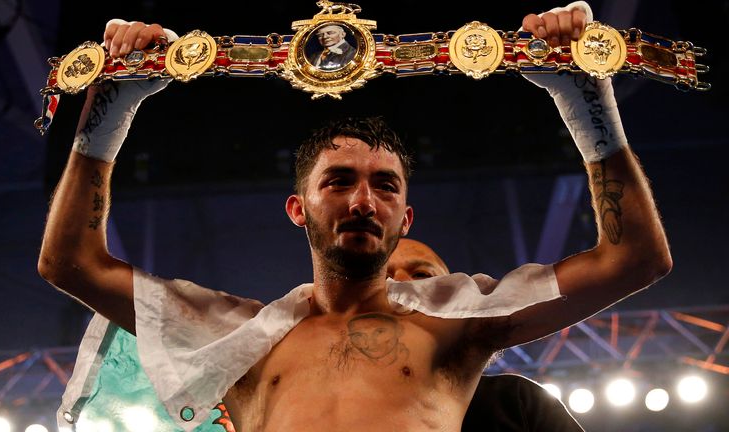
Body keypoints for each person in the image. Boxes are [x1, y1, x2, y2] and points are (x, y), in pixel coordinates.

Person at [38, 3, 672, 431]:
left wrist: (584, 97)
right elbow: (71, 264)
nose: (364, 200)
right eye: (339, 181)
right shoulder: (237, 339)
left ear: (404, 214)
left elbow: (635, 258)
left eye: (385, 186)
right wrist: (109, 108)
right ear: (298, 207)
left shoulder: (454, 329)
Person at [387, 238, 585, 432]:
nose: (402, 283)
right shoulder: (356, 409)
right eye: (383, 280)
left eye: (421, 275)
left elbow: (606, 268)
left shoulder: (516, 403)